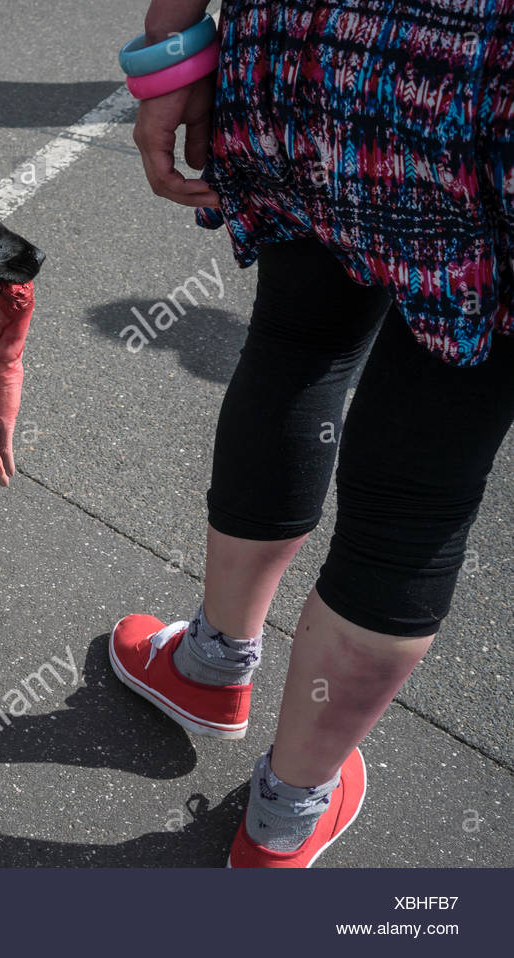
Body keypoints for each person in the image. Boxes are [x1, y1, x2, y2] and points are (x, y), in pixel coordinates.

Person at [111, 0, 514, 866]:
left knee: (299, 348)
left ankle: (213, 664)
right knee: (421, 488)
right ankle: (284, 820)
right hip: (493, 84)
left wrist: (170, 57)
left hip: (323, 51)